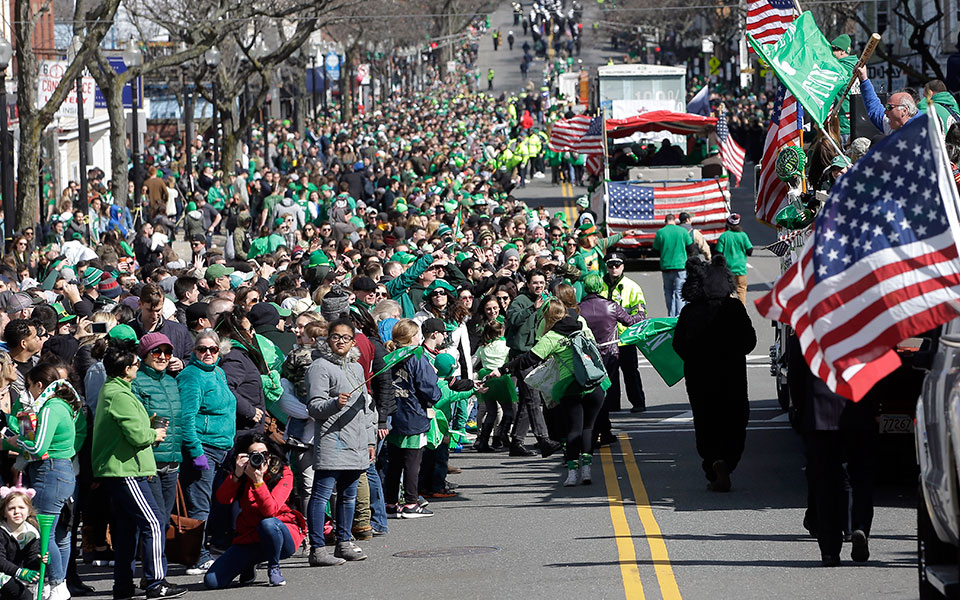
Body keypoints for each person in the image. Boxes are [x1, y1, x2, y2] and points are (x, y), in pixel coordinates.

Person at [92, 338, 186, 599]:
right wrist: (153, 433)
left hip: (122, 468)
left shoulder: (116, 389)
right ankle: (157, 582)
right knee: (154, 523)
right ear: (126, 369)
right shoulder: (119, 393)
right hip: (125, 470)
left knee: (126, 530)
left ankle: (122, 586)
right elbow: (136, 435)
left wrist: (147, 421)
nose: (137, 366)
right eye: (134, 363)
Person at [490, 299, 606, 487]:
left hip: (571, 387)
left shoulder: (551, 337)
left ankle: (572, 473)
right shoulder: (582, 326)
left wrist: (502, 370)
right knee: (589, 428)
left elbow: (528, 359)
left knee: (573, 429)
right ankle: (587, 471)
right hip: (594, 385)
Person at [672, 256, 756, 492]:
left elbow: (678, 344)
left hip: (700, 377)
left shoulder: (690, 311)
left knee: (705, 421)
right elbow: (750, 340)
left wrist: (694, 358)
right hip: (732, 375)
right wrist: (734, 353)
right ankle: (727, 461)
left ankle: (713, 463)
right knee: (735, 419)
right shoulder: (734, 307)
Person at [305, 319, 373, 566]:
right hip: (333, 441)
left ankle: (344, 542)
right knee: (322, 495)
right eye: (336, 337)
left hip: (355, 441)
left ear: (353, 341)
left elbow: (366, 408)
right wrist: (335, 403)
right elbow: (313, 406)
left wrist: (370, 439)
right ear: (327, 339)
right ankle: (317, 549)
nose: (341, 341)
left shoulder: (356, 368)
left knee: (349, 496)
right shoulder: (319, 367)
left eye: (346, 338)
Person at [12, 364, 80, 600]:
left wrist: (16, 441)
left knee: (44, 533)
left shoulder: (50, 407)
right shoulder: (64, 406)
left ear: (39, 385)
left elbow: (38, 447)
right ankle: (58, 584)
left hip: (49, 472)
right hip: (63, 471)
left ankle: (57, 583)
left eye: (30, 386)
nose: (28, 391)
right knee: (61, 534)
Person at [203, 434, 304, 588]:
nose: (260, 459)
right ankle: (249, 564)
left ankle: (274, 567)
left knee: (268, 524)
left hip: (281, 534)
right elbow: (222, 499)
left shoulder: (283, 473)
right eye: (254, 455)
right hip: (250, 536)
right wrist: (236, 474)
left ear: (269, 455)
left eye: (263, 454)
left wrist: (258, 482)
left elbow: (270, 511)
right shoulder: (242, 473)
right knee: (212, 581)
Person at [176, 330, 236, 576]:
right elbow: (186, 418)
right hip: (204, 448)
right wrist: (195, 450)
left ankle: (203, 550)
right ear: (194, 352)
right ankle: (197, 556)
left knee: (210, 504)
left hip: (222, 448)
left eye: (213, 349)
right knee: (199, 506)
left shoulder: (218, 372)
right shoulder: (191, 376)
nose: (208, 354)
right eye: (203, 349)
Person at [579, 274, 644, 446]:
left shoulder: (579, 309)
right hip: (609, 355)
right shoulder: (611, 306)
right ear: (600, 288)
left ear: (586, 288)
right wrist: (640, 314)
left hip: (588, 356)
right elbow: (631, 322)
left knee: (591, 393)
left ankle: (601, 431)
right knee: (604, 394)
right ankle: (600, 432)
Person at [383, 320, 439, 519]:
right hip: (414, 414)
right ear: (413, 337)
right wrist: (437, 395)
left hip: (392, 415)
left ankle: (390, 502)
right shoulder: (417, 357)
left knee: (394, 462)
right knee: (412, 462)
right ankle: (411, 503)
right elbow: (429, 389)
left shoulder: (388, 357)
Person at [131, 333, 182, 531]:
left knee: (164, 519)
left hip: (172, 460)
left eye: (167, 352)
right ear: (144, 355)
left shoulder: (171, 381)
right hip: (149, 461)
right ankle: (154, 560)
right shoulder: (137, 381)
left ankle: (157, 558)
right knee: (155, 519)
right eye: (156, 352)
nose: (162, 357)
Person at [600, 251, 648, 412]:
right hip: (606, 338)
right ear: (606, 266)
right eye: (610, 265)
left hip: (625, 337)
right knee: (609, 373)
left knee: (630, 371)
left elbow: (641, 313)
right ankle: (613, 405)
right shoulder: (600, 285)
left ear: (623, 267)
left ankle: (638, 403)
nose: (614, 268)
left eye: (617, 265)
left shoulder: (632, 287)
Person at [0, 485, 47, 600]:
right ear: (4, 512)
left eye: (21, 507)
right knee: (24, 596)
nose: (17, 511)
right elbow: (0, 561)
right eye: (11, 508)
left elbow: (30, 560)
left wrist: (39, 560)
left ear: (29, 510)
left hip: (12, 574)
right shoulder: (1, 531)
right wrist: (19, 572)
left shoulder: (31, 533)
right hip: (3, 574)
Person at [652, 214, 693, 317]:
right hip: (680, 266)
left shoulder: (661, 232)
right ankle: (679, 316)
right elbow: (691, 248)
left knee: (668, 292)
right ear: (675, 221)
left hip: (666, 266)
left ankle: (671, 315)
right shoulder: (682, 231)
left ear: (665, 221)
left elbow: (655, 250)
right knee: (679, 293)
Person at [714, 213, 753, 305]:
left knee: (728, 292)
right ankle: (741, 312)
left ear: (727, 224)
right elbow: (750, 251)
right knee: (741, 291)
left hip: (727, 270)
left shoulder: (724, 236)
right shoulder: (743, 235)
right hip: (741, 269)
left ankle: (730, 312)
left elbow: (718, 253)